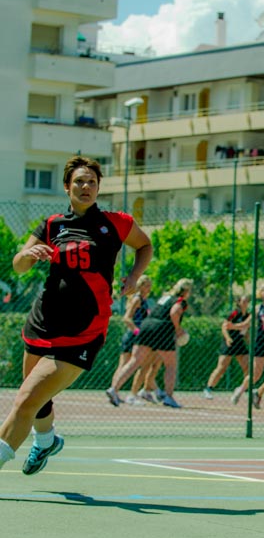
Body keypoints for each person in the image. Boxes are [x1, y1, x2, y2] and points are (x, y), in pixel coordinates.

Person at [0, 155, 152, 475]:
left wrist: (134, 276)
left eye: (92, 182)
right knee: (36, 397)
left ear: (98, 188)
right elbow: (19, 265)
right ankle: (46, 441)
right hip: (43, 322)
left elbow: (145, 246)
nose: (86, 186)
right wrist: (28, 254)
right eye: (79, 181)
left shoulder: (116, 222)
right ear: (67, 187)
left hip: (83, 330)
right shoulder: (52, 224)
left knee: (26, 399)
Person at [107, 278, 192, 409]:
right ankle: (168, 397)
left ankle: (114, 389)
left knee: (135, 361)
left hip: (147, 326)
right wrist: (178, 329)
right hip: (162, 329)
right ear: (186, 291)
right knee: (170, 365)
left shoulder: (165, 298)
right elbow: (174, 312)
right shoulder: (180, 301)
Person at [109, 274, 155, 405]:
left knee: (135, 364)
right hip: (133, 336)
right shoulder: (137, 299)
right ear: (141, 286)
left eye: (150, 285)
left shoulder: (144, 300)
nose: (149, 288)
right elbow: (127, 318)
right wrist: (137, 331)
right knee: (127, 365)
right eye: (147, 285)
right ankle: (117, 392)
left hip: (138, 337)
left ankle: (115, 391)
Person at [203, 295, 250, 399]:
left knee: (248, 366)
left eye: (247, 301)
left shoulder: (247, 316)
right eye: (244, 301)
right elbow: (224, 327)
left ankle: (245, 389)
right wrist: (228, 338)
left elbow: (246, 331)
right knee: (221, 368)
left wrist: (249, 341)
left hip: (239, 343)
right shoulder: (234, 313)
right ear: (239, 302)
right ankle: (208, 389)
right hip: (229, 342)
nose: (246, 303)